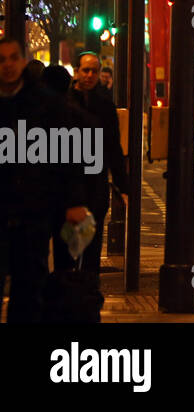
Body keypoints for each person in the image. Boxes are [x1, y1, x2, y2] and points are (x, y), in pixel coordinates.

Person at [0, 35, 91, 322]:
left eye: (13, 58)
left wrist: (73, 202)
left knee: (28, 291)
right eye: (1, 59)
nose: (8, 65)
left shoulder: (45, 104)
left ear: (24, 60)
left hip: (32, 211)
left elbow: (68, 157)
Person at [51, 52, 128, 278]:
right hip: (68, 186)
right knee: (66, 245)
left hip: (95, 184)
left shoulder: (104, 105)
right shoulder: (64, 103)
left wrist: (123, 184)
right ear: (76, 72)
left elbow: (113, 147)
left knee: (92, 246)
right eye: (86, 70)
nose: (90, 75)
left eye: (94, 70)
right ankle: (67, 288)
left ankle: (86, 290)